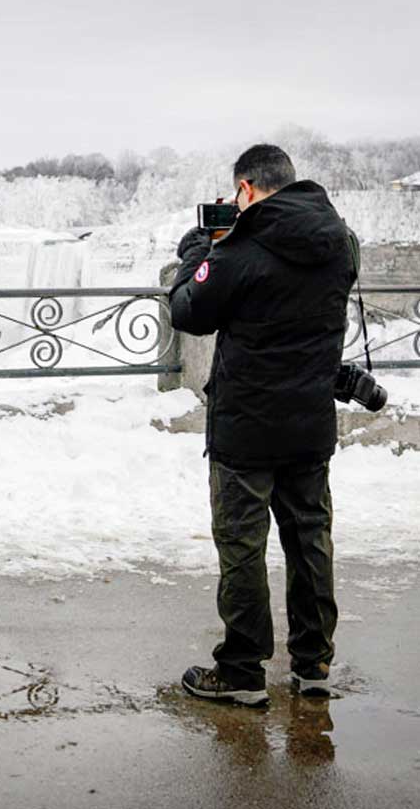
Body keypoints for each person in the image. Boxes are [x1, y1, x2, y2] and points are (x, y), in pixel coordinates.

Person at [169, 144, 357, 705]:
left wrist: (198, 252)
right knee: (310, 541)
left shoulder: (241, 250)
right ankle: (314, 662)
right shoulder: (340, 242)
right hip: (310, 423)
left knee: (243, 547)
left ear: (246, 189)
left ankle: (243, 671)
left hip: (245, 428)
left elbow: (188, 311)